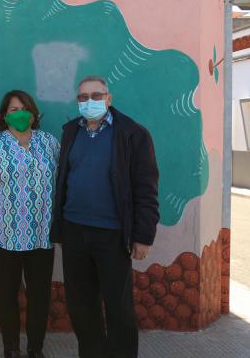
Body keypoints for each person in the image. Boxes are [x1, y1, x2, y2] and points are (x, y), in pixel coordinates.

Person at [50, 75, 160, 358]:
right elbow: (64, 179)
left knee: (119, 309)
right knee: (81, 307)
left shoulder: (132, 134)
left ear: (109, 99)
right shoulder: (71, 131)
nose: (89, 102)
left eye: (96, 96)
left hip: (112, 234)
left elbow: (146, 189)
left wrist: (143, 236)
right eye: (83, 97)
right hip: (74, 232)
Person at [0, 90, 59, 358]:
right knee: (7, 295)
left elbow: (62, 182)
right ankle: (11, 348)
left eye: (23, 108)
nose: (19, 113)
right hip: (5, 234)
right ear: (4, 116)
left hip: (42, 234)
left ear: (34, 113)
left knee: (39, 295)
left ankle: (35, 348)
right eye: (12, 110)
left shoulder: (50, 143)